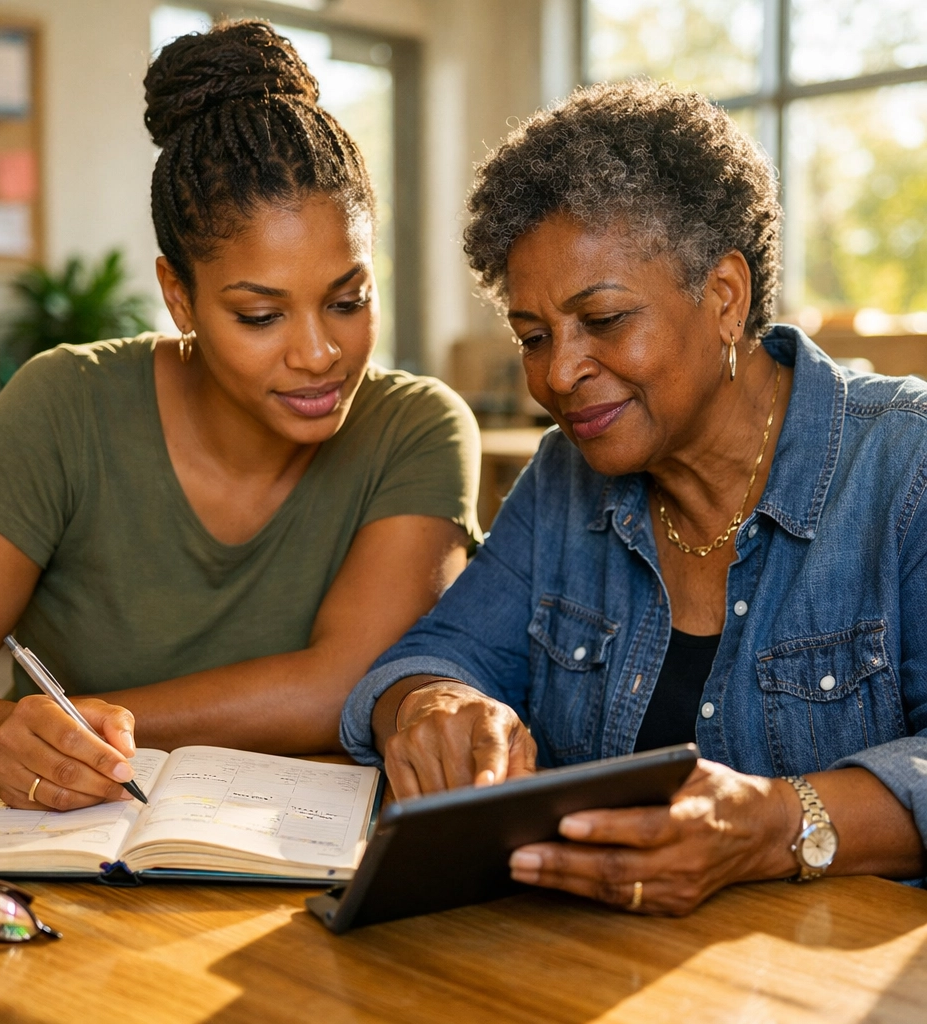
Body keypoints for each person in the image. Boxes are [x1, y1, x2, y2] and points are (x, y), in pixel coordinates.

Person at [340, 79, 927, 915]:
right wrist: (436, 705)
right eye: (533, 337)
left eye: (605, 319)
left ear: (725, 297)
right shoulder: (561, 479)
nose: (557, 373)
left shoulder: (905, 467)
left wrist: (777, 822)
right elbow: (430, 659)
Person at [0, 21, 479, 813]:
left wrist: (96, 725)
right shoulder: (65, 405)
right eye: (259, 316)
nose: (318, 354)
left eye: (348, 301)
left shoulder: (416, 428)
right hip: (71, 860)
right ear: (180, 298)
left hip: (304, 876)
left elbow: (343, 681)